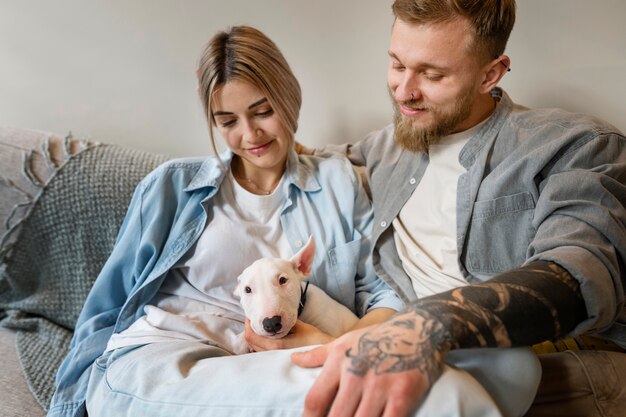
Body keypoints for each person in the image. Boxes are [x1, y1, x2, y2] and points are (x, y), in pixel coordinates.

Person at [253, 0, 626, 416]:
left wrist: (426, 325)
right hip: (413, 360)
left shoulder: (575, 145)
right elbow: (299, 159)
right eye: (396, 64)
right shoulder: (386, 149)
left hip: (548, 359)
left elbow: (581, 271)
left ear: (491, 74)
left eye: (432, 74)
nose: (404, 91)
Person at [46, 25, 405, 417]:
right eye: (227, 121)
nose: (250, 134)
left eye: (262, 111)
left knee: (358, 395)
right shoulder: (172, 187)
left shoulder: (339, 182)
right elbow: (106, 309)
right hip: (161, 358)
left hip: (274, 363)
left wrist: (338, 346)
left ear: (290, 98)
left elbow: (386, 293)